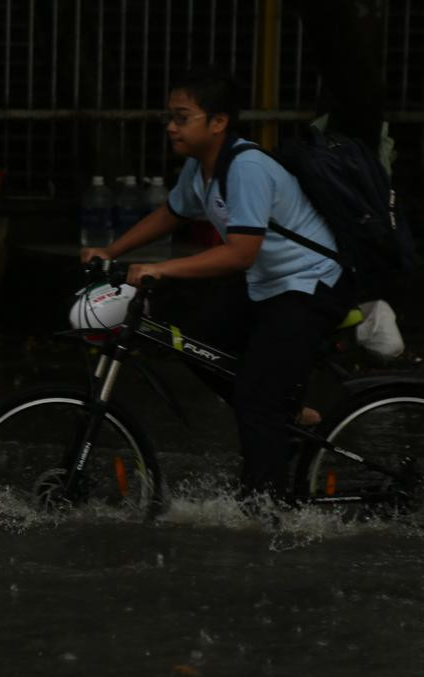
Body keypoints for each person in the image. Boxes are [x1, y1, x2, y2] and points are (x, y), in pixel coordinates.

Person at [80, 67, 355, 505]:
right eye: (170, 116)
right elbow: (172, 213)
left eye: (182, 116)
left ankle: (265, 512)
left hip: (310, 285)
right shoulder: (201, 167)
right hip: (267, 283)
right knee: (186, 332)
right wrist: (111, 251)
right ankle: (289, 414)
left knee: (255, 398)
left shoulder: (245, 167)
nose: (171, 126)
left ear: (218, 122)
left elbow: (240, 252)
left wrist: (163, 269)